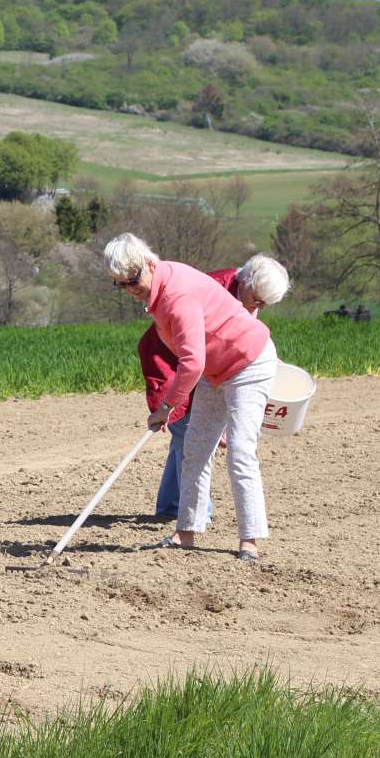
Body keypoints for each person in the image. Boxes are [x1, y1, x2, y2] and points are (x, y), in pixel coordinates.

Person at [104, 234, 278, 561]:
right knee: (196, 450)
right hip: (217, 370)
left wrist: (166, 407)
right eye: (121, 284)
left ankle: (250, 540)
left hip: (250, 363)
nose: (130, 289)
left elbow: (192, 361)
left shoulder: (175, 296)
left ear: (149, 265)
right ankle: (186, 532)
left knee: (240, 450)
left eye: (133, 280)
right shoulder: (160, 288)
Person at [139, 254, 290, 521]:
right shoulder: (215, 287)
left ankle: (170, 509)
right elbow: (191, 357)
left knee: (187, 438)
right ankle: (190, 514)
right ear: (245, 281)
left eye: (265, 304)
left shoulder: (246, 295)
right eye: (257, 299)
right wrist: (170, 405)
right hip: (171, 364)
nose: (259, 307)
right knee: (188, 433)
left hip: (204, 369)